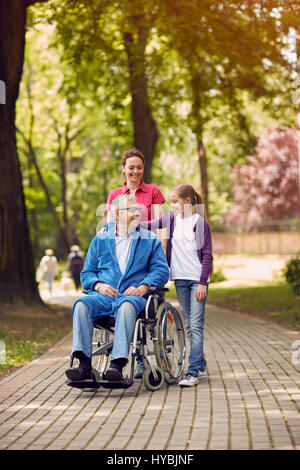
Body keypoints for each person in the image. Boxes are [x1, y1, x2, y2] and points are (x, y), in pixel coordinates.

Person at [65, 194, 169, 383]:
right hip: (104, 297)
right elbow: (87, 273)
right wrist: (98, 285)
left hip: (133, 296)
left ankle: (117, 365)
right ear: (116, 214)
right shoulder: (100, 239)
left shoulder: (150, 239)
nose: (136, 214)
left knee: (127, 306)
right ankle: (84, 366)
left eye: (137, 210)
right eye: (131, 210)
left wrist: (144, 286)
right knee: (81, 304)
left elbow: (161, 270)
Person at [140, 183, 213, 387]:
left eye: (174, 201)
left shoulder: (199, 223)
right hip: (180, 279)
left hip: (197, 281)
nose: (171, 206)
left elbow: (207, 254)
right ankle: (200, 363)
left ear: (187, 201)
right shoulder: (171, 220)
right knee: (189, 325)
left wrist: (202, 283)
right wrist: (125, 223)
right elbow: (149, 224)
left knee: (196, 326)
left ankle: (192, 372)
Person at [105, 147, 167, 379]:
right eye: (131, 167)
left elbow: (161, 227)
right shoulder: (114, 195)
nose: (136, 171)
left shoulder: (153, 191)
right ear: (124, 169)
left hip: (147, 256)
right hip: (122, 260)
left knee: (141, 304)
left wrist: (160, 258)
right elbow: (111, 230)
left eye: (139, 167)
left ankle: (140, 357)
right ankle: (121, 356)